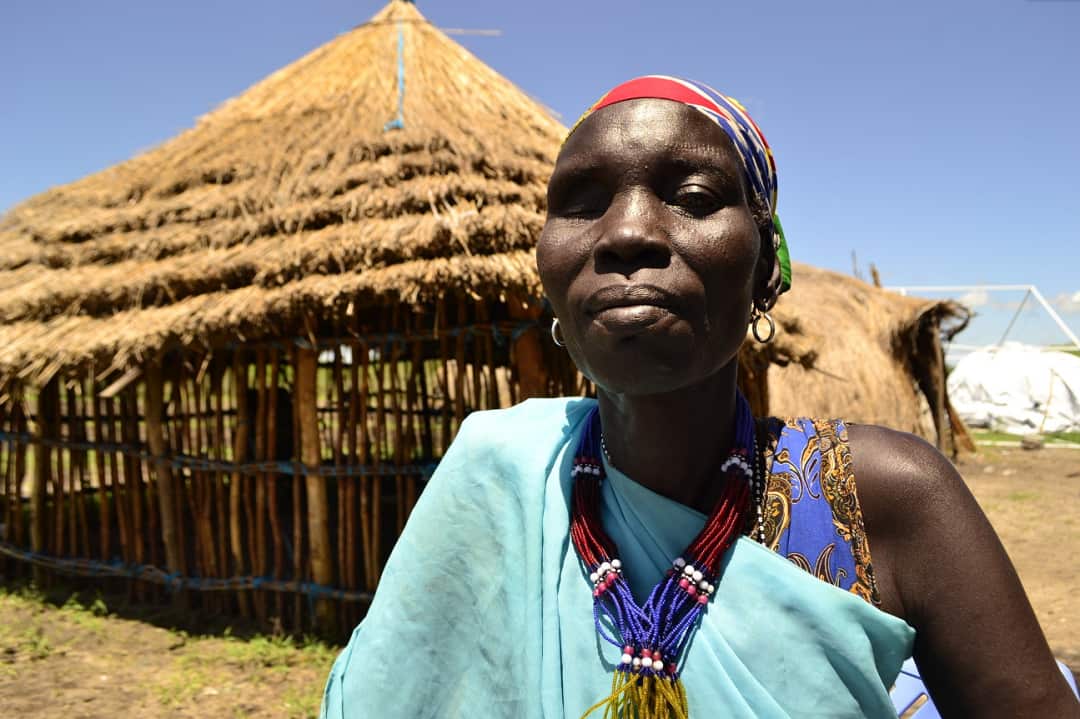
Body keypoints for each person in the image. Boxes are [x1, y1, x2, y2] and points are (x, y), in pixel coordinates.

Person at [320, 76, 1079, 718]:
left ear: (765, 269)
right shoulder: (499, 473)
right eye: (581, 203)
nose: (626, 232)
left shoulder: (879, 500)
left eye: (692, 196)